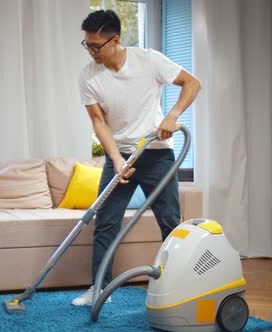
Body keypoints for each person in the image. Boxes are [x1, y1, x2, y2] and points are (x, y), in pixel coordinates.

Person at [71, 9, 201, 306]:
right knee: (106, 222)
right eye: (87, 45)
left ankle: (182, 286)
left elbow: (192, 83)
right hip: (120, 157)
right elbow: (99, 122)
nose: (90, 51)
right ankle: (99, 290)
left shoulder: (149, 60)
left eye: (95, 46)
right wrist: (116, 159)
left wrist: (173, 115)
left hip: (156, 155)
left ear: (115, 40)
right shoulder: (88, 76)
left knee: (169, 221)